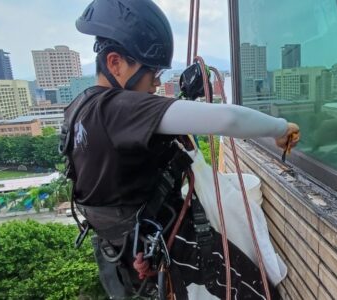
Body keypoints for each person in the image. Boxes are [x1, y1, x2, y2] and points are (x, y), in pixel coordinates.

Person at [61, 0, 300, 299]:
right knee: (257, 291)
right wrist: (280, 128)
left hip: (129, 250)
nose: (154, 87)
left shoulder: (79, 109)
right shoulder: (118, 109)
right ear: (115, 63)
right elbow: (229, 118)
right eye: (152, 76)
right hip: (159, 243)